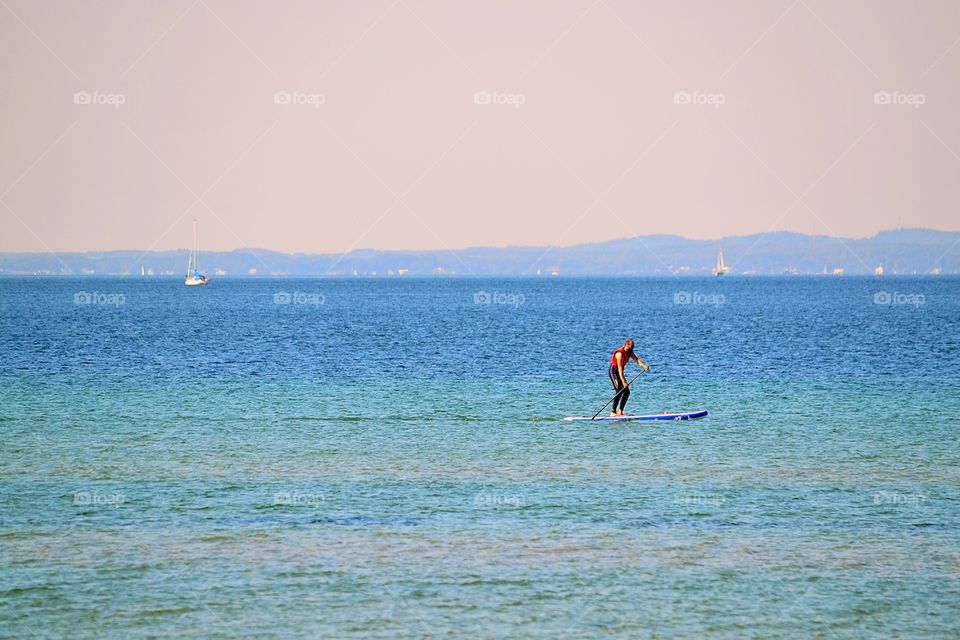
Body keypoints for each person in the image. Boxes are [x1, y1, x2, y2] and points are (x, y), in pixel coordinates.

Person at [608, 339, 649, 417]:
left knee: (627, 392)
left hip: (620, 372)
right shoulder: (619, 354)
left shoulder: (630, 352)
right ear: (626, 345)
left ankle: (620, 412)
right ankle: (613, 412)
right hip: (614, 372)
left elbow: (637, 360)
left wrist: (644, 365)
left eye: (632, 348)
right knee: (619, 390)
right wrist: (623, 382)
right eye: (630, 347)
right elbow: (620, 368)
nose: (631, 349)